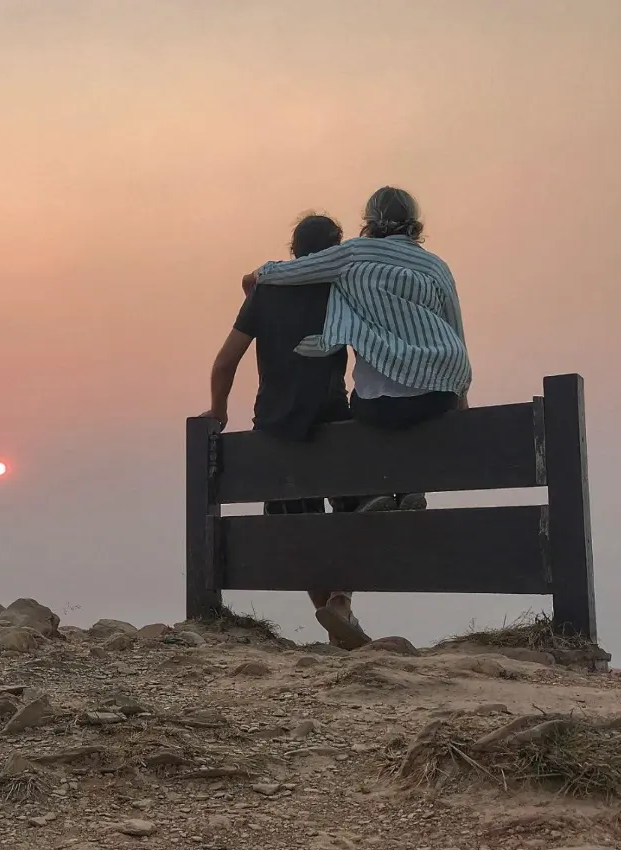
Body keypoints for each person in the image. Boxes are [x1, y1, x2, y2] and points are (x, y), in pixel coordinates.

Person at [244, 186, 472, 512]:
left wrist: (254, 277)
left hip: (381, 406)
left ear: (369, 221)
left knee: (366, 404)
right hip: (440, 395)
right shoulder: (437, 267)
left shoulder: (353, 254)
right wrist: (460, 398)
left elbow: (290, 271)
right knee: (414, 409)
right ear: (414, 221)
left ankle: (381, 489)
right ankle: (410, 487)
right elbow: (456, 331)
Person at [202, 212, 371, 650]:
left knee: (298, 526)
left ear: (293, 251)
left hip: (276, 429)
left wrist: (218, 411)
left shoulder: (266, 293)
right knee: (355, 514)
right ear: (337, 250)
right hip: (335, 420)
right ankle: (340, 603)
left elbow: (225, 362)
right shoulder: (344, 290)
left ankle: (337, 611)